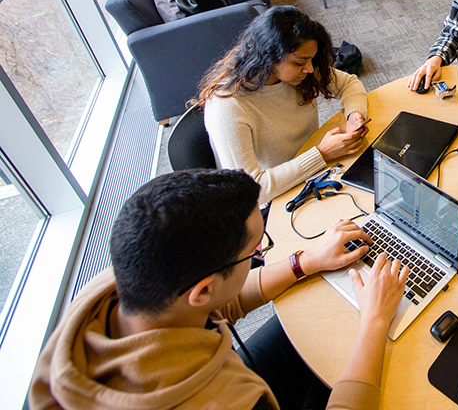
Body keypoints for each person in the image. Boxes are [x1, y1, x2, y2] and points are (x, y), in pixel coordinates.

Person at [29, 169, 409, 410]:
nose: (259, 255)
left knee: (311, 336)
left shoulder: (119, 283)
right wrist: (375, 320)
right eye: (253, 252)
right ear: (202, 289)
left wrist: (304, 261)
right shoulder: (230, 400)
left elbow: (216, 305)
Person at [200, 6, 369, 203]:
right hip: (274, 200)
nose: (309, 68)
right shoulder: (227, 105)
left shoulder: (301, 72)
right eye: (299, 63)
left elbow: (349, 83)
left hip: (315, 173)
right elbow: (252, 189)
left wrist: (354, 115)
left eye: (312, 60)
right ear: (267, 57)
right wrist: (321, 154)